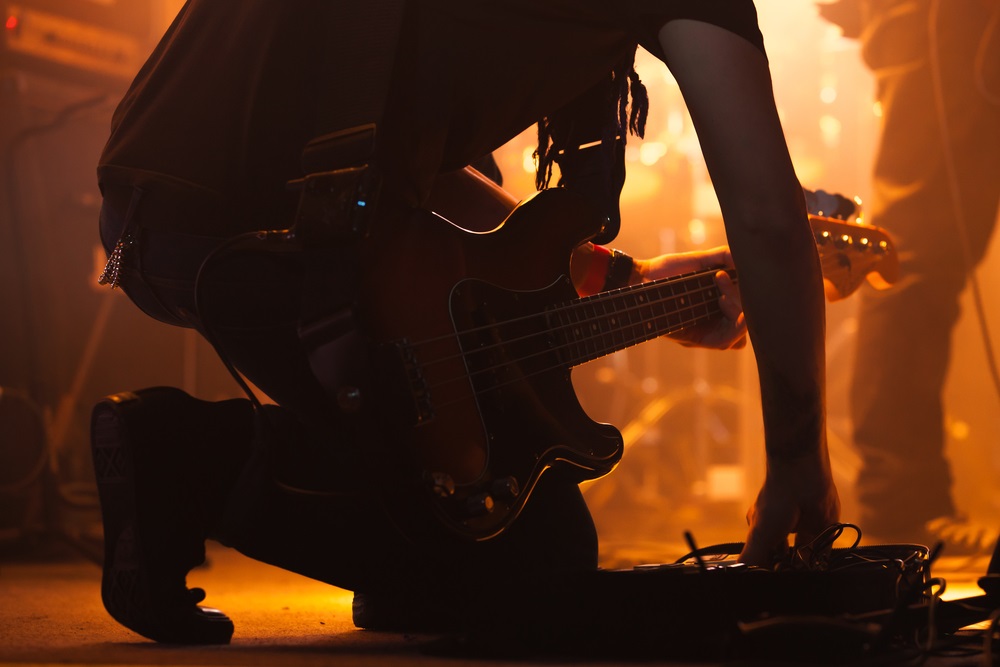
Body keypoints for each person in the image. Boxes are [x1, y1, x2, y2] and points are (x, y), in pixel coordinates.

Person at [91, 0, 839, 644]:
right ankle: (192, 457)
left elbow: (404, 157)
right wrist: (798, 460)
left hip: (151, 217)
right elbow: (769, 221)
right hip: (255, 237)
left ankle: (401, 550)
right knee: (532, 558)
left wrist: (620, 278)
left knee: (471, 511)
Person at [819, 0, 1000, 553]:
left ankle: (902, 501)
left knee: (923, 255)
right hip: (947, 24)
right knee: (917, 255)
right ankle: (900, 505)